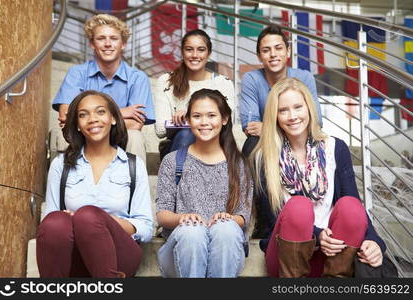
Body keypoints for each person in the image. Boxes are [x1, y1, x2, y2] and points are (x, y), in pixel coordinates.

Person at [251, 78, 385, 278]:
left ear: (309, 108)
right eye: (283, 110)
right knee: (299, 206)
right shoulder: (264, 156)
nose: (292, 116)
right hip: (287, 254)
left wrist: (375, 241)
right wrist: (318, 234)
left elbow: (355, 204)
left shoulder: (335, 148)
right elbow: (273, 218)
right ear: (275, 116)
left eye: (298, 107)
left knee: (349, 205)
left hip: (333, 253)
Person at [37, 90, 153, 278]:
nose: (92, 119)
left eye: (100, 112)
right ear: (77, 125)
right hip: (74, 254)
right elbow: (51, 216)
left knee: (88, 216)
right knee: (54, 222)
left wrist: (105, 222)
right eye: (83, 115)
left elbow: (146, 228)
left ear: (114, 118)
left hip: (120, 254)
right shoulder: (61, 164)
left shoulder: (133, 165)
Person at [155, 89, 252, 278]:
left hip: (226, 250)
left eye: (211, 115)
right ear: (189, 121)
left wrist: (229, 218)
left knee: (225, 229)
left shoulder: (238, 164)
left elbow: (243, 216)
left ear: (224, 119)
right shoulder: (172, 161)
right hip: (180, 251)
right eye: (197, 116)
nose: (204, 122)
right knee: (192, 232)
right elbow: (162, 214)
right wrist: (182, 218)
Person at [51, 14, 155, 164]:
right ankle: (68, 185)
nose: (108, 44)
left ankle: (134, 186)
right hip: (83, 138)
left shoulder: (138, 78)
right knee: (65, 135)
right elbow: (66, 116)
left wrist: (86, 118)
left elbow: (135, 124)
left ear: (123, 44)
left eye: (113, 38)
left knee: (135, 137)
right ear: (92, 44)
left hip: (119, 137)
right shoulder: (77, 73)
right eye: (101, 38)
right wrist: (122, 112)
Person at [240, 24, 323, 158]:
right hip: (267, 145)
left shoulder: (304, 78)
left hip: (300, 140)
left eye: (278, 48)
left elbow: (317, 121)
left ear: (288, 51)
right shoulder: (251, 79)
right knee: (251, 144)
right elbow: (250, 128)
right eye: (266, 50)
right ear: (259, 56)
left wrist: (268, 128)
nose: (273, 54)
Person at [154, 29, 234, 160]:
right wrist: (180, 121)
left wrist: (189, 116)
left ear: (209, 53)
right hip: (178, 145)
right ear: (182, 52)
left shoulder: (223, 83)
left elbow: (226, 123)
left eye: (201, 49)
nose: (195, 55)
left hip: (214, 146)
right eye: (189, 49)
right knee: (186, 134)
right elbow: (160, 130)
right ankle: (178, 179)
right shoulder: (166, 82)